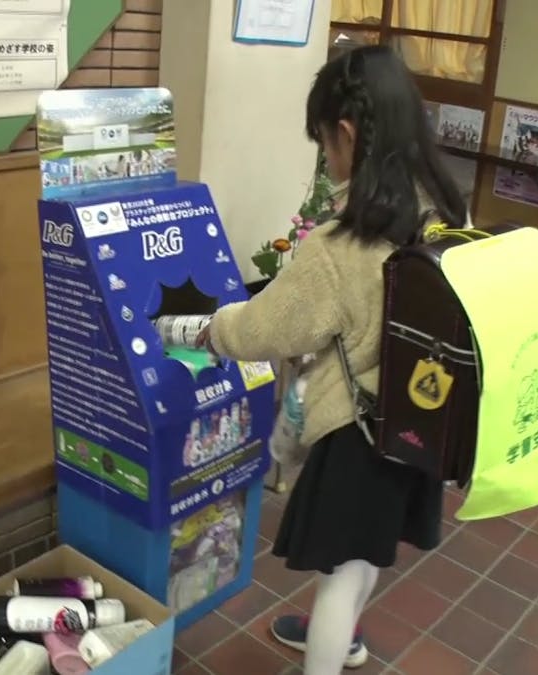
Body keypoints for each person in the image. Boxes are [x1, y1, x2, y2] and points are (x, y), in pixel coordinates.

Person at [195, 44, 468, 673]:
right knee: (366, 555)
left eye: (324, 142)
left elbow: (267, 328)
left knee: (341, 576)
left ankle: (330, 647)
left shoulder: (343, 244)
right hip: (420, 417)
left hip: (358, 434)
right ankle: (342, 640)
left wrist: (209, 329)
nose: (326, 158)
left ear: (346, 133)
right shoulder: (445, 207)